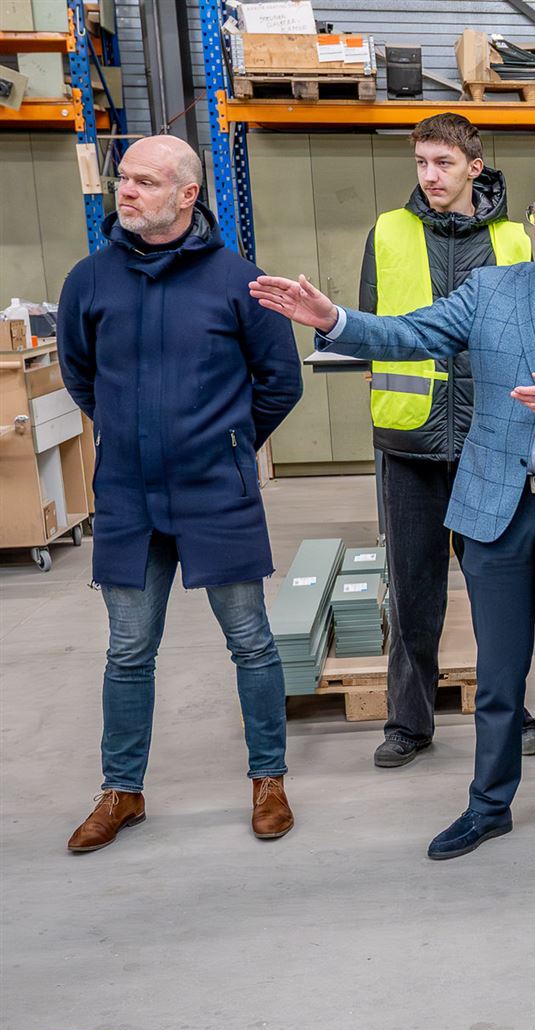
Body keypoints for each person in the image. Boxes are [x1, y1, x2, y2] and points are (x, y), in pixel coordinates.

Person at [252, 158, 535, 861]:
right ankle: (488, 805)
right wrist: (334, 320)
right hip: (495, 511)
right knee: (499, 677)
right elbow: (412, 334)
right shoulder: (492, 289)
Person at [60, 135, 303, 851]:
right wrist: (130, 435)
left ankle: (268, 779)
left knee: (251, 642)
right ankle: (122, 790)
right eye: (124, 179)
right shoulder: (90, 280)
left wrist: (228, 443)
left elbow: (280, 381)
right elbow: (80, 375)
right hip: (127, 497)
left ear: (187, 194)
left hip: (215, 493)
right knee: (128, 651)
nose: (126, 191)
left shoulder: (239, 282)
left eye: (144, 180)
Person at [361, 112, 535, 770]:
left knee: (499, 593)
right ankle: (409, 724)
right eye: (421, 163)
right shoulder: (388, 230)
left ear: (475, 165)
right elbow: (372, 329)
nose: (431, 176)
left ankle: (514, 713)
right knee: (412, 592)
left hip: (489, 443)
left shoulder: (516, 239)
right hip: (409, 441)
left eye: (443, 162)